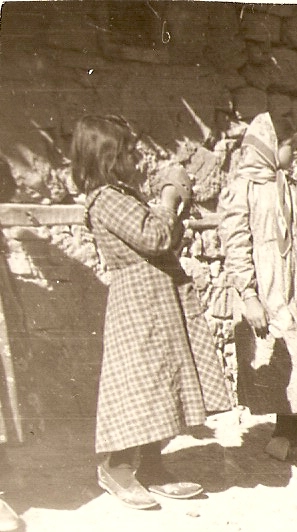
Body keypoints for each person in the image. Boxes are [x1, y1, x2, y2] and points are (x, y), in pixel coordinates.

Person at [71, 115, 232, 510]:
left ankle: (153, 467)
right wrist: (169, 200)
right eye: (128, 152)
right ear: (108, 160)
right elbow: (155, 236)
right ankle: (116, 468)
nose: (137, 158)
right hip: (138, 303)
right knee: (139, 385)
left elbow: (161, 238)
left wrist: (167, 208)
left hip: (157, 299)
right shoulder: (107, 199)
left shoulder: (123, 196)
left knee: (163, 383)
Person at [218, 112, 297, 468]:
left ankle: (291, 437)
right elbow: (236, 242)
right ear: (270, 147)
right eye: (290, 145)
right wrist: (248, 294)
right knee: (283, 358)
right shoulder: (243, 188)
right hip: (268, 281)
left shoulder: (292, 186)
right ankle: (288, 435)